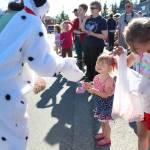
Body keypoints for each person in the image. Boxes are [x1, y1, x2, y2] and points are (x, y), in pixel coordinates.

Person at [0, 0, 84, 149]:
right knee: (12, 142)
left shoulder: (5, 15)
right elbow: (45, 64)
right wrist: (69, 67)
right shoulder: (30, 21)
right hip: (5, 94)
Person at [114, 17, 150, 150]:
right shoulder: (137, 53)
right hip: (141, 101)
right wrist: (121, 56)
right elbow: (125, 64)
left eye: (136, 47)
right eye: (131, 48)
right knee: (142, 135)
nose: (134, 50)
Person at [83, 54, 116, 146]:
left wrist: (94, 91)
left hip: (106, 104)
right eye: (98, 63)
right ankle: (104, 133)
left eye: (102, 64)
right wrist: (89, 86)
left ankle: (107, 138)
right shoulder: (97, 77)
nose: (98, 66)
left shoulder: (109, 81)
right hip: (99, 102)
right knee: (102, 121)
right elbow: (95, 86)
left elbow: (106, 95)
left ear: (110, 68)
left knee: (105, 123)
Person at [81, 1, 108, 81]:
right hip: (87, 44)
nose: (91, 9)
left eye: (93, 8)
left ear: (98, 9)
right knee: (87, 62)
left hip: (96, 45)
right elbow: (82, 29)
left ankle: (96, 80)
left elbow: (105, 36)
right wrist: (85, 19)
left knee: (95, 63)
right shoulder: (89, 18)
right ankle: (89, 77)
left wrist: (92, 34)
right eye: (90, 8)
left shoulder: (102, 20)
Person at [72, 3, 88, 70]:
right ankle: (80, 69)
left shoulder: (88, 19)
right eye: (78, 10)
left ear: (84, 10)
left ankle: (87, 69)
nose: (78, 11)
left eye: (80, 10)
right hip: (77, 40)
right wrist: (80, 32)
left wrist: (80, 32)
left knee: (86, 54)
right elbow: (73, 30)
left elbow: (86, 30)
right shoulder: (76, 20)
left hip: (85, 40)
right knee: (79, 54)